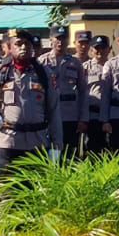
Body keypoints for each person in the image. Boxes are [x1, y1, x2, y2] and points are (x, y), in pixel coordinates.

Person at [0, 29, 60, 176]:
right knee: (7, 194)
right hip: (8, 142)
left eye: (27, 44)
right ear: (9, 47)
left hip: (37, 143)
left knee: (34, 195)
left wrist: (56, 146)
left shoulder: (44, 73)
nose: (23, 47)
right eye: (19, 44)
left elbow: (54, 111)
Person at [40, 25, 87, 162]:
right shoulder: (42, 62)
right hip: (49, 115)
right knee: (50, 153)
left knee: (69, 154)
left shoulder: (75, 63)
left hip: (70, 116)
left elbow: (83, 92)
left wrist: (83, 118)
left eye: (64, 38)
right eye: (57, 39)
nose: (61, 42)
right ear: (51, 40)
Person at [82, 35, 112, 155]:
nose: (100, 51)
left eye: (103, 48)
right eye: (97, 48)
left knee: (110, 152)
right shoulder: (85, 68)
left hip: (110, 117)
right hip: (92, 116)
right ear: (91, 49)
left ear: (109, 49)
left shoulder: (114, 67)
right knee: (91, 151)